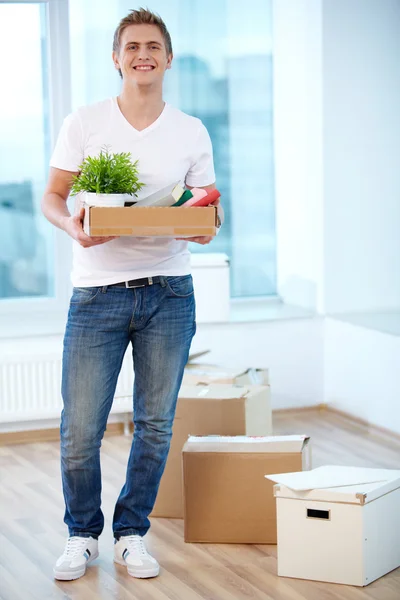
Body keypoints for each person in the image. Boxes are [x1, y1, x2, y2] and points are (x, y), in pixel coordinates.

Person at [41, 8, 218, 581]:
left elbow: (205, 207)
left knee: (156, 424)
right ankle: (81, 534)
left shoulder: (190, 129)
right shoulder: (86, 122)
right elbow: (53, 196)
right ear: (116, 59)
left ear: (168, 58)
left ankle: (131, 533)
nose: (143, 54)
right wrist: (73, 226)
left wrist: (209, 218)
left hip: (170, 292)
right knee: (81, 428)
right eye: (132, 46)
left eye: (153, 46)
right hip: (97, 293)